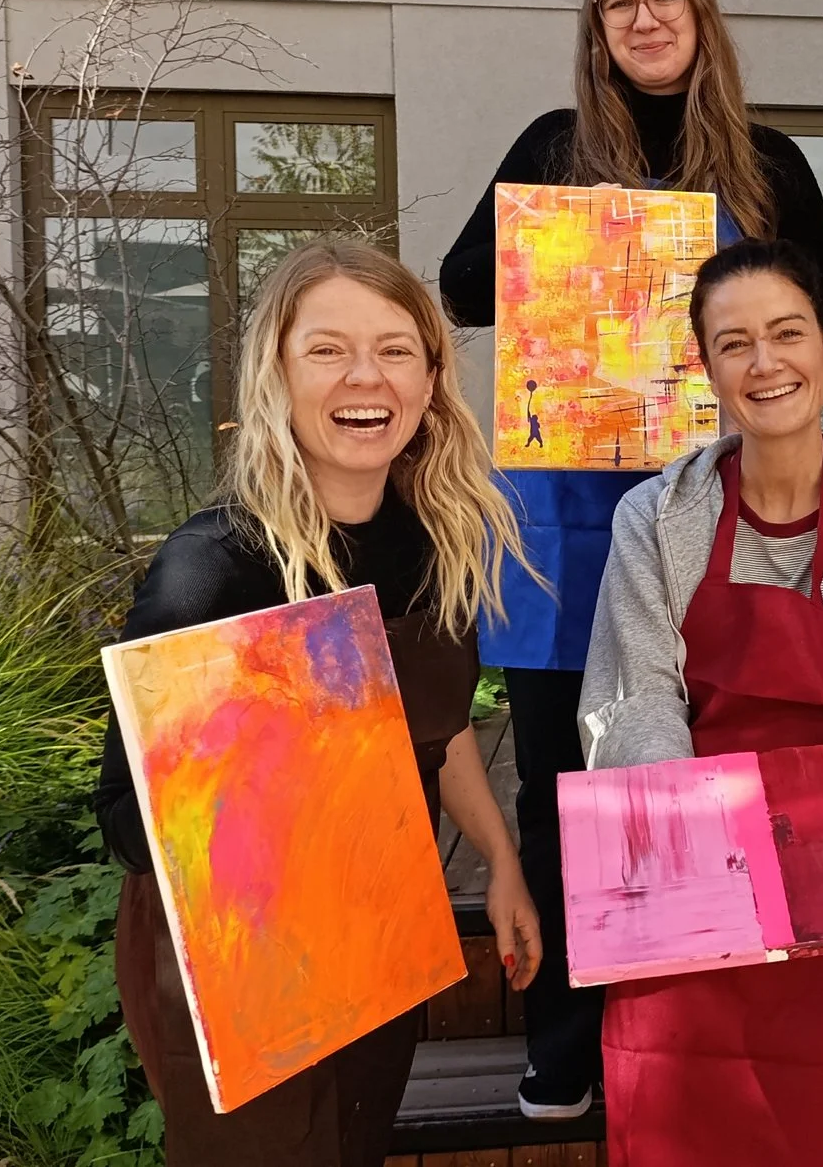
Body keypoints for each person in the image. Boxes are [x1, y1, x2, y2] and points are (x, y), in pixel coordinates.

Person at [434, 0, 823, 1118]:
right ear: (595, 32)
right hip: (569, 515)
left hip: (725, 508)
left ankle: (694, 1023)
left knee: (710, 766)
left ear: (701, 16)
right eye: (619, 5)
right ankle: (566, 1032)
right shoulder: (552, 148)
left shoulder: (770, 164)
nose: (645, 19)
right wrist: (573, 244)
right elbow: (457, 290)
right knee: (566, 784)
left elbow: (809, 327)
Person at [91, 242, 542, 1167]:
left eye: (395, 349)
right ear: (278, 373)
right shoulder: (212, 570)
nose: (365, 376)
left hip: (376, 935)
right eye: (328, 349)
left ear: (429, 378)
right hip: (234, 961)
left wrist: (501, 861)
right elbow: (133, 826)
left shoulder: (431, 542)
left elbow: (438, 730)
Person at [575, 236, 823, 1167]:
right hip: (689, 883)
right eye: (734, 343)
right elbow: (634, 700)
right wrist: (713, 862)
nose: (765, 362)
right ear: (706, 366)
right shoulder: (656, 517)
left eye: (788, 333)